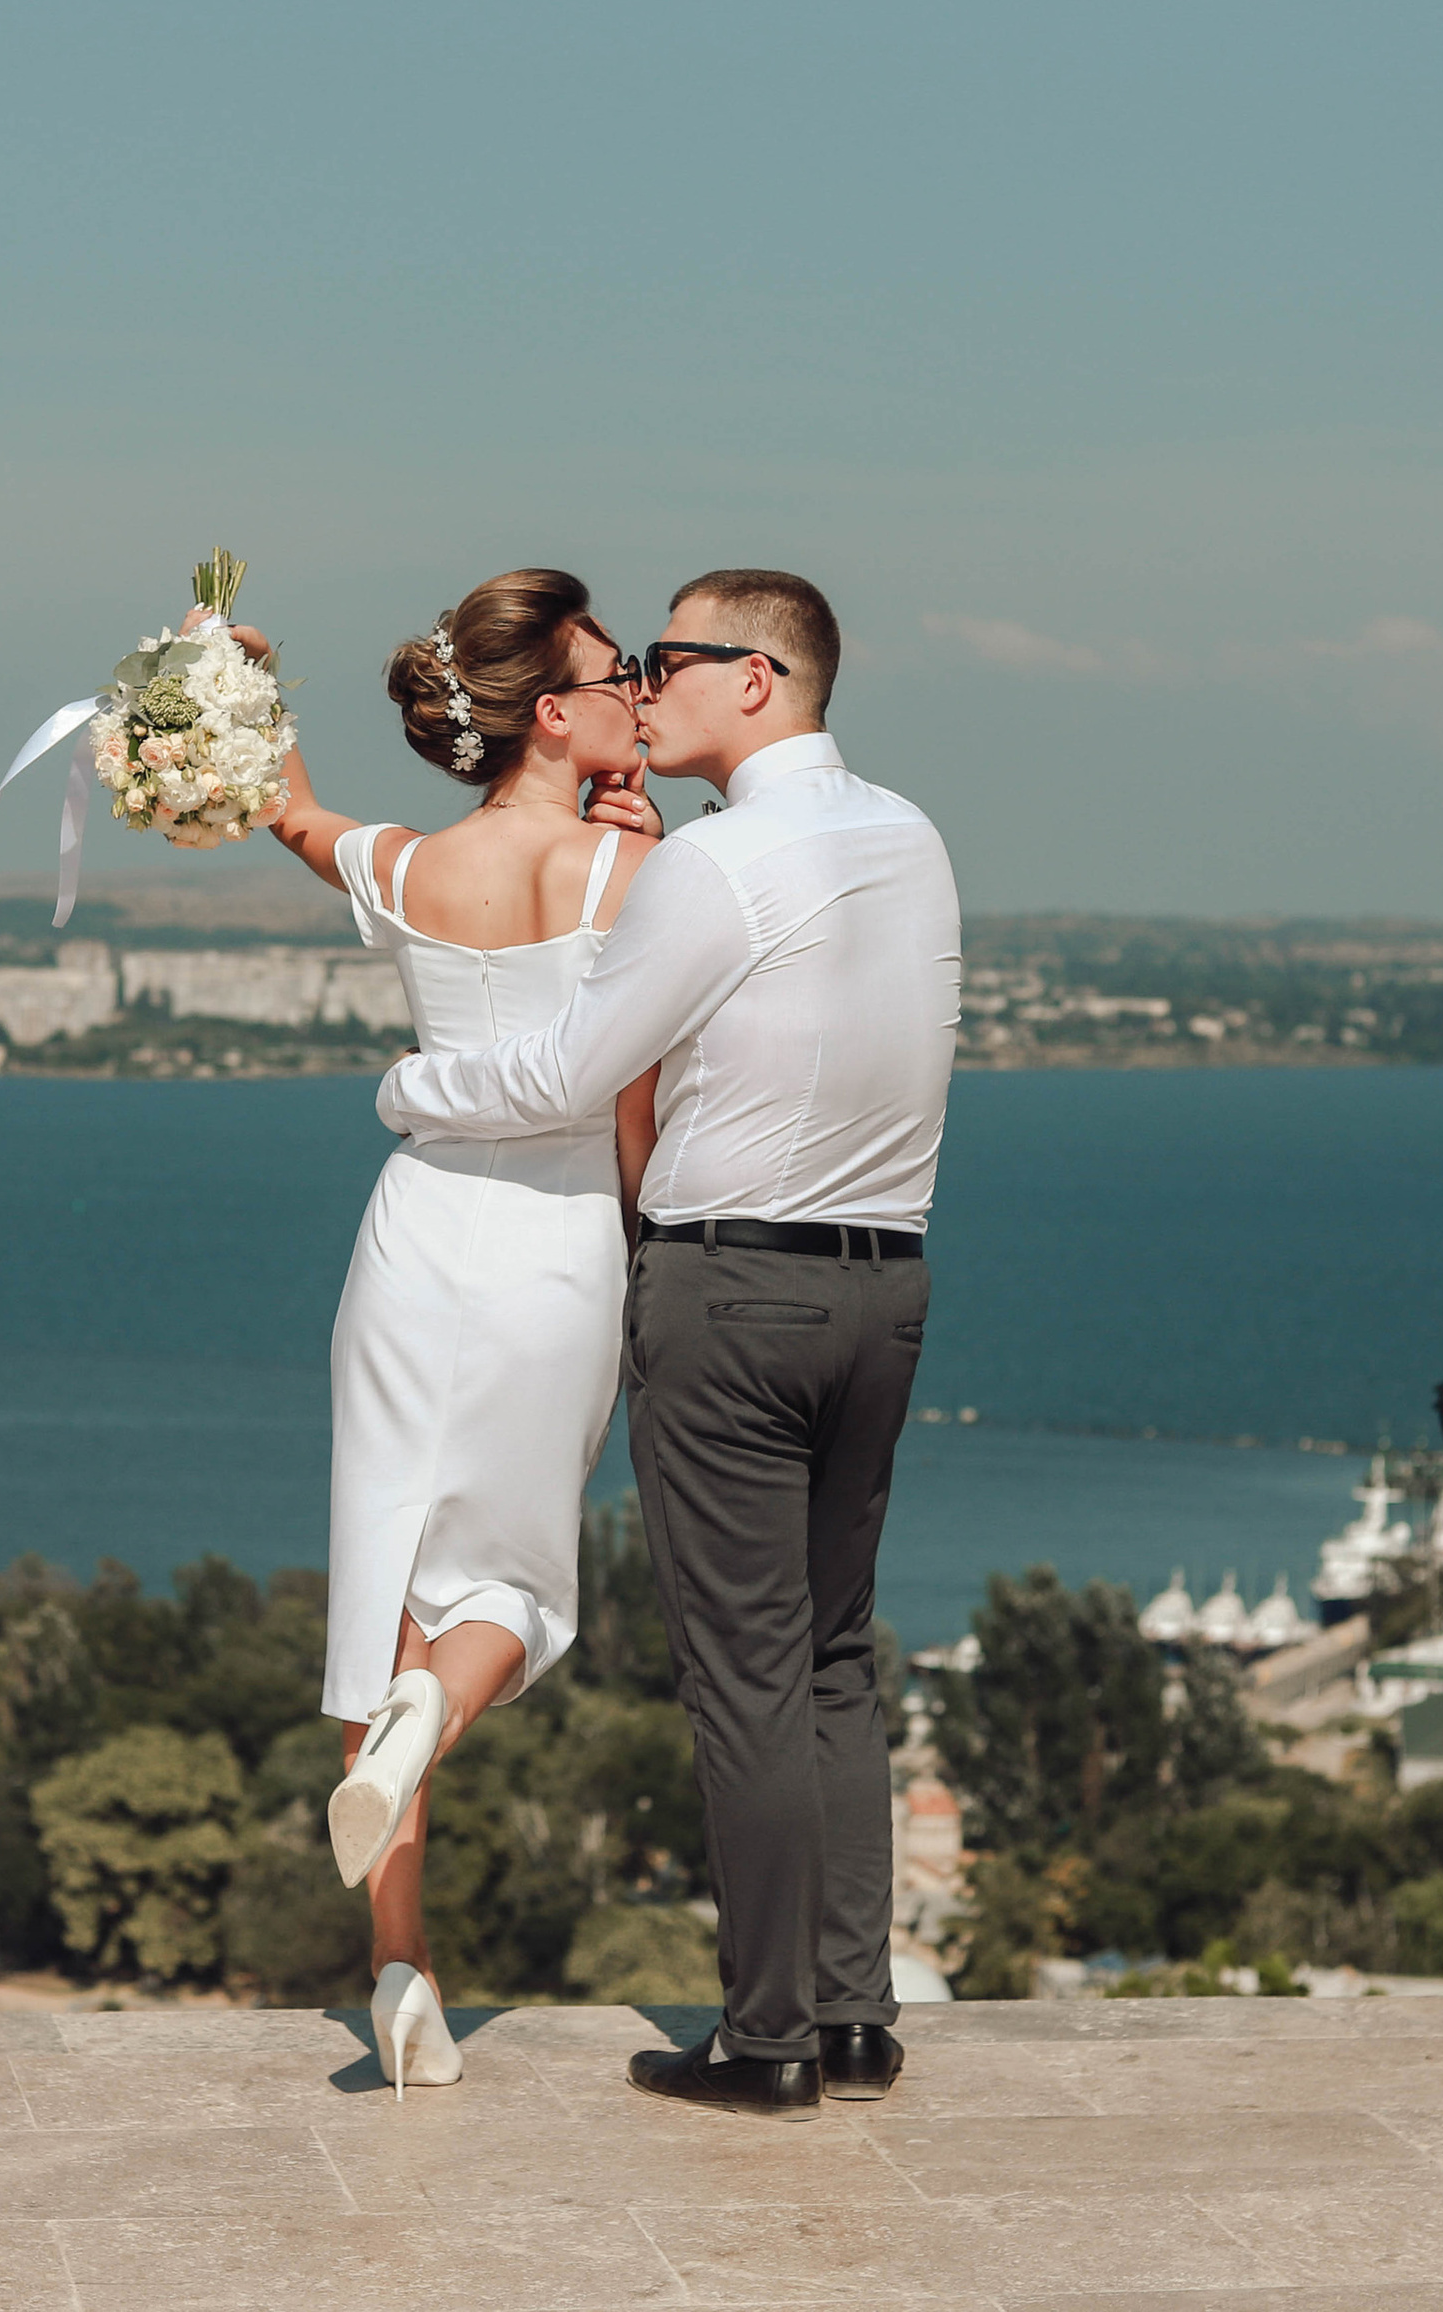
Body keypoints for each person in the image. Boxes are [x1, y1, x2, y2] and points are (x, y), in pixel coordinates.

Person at [377, 569, 959, 2121]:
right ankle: (851, 2018)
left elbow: (568, 1071)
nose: (649, 683)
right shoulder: (910, 839)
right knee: (839, 1658)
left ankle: (764, 2037)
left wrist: (407, 1091)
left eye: (672, 658)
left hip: (732, 1297)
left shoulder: (719, 865)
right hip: (887, 1288)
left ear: (758, 677)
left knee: (749, 1679)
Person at [210, 568, 661, 2096]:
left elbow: (288, 809)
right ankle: (432, 1722)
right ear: (554, 712)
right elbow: (646, 1103)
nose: (641, 697)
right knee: (517, 1589)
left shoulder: (409, 870)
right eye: (620, 677)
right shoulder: (630, 878)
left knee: (387, 1578)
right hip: (554, 1245)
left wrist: (232, 674)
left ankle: (401, 1980)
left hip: (412, 1238)